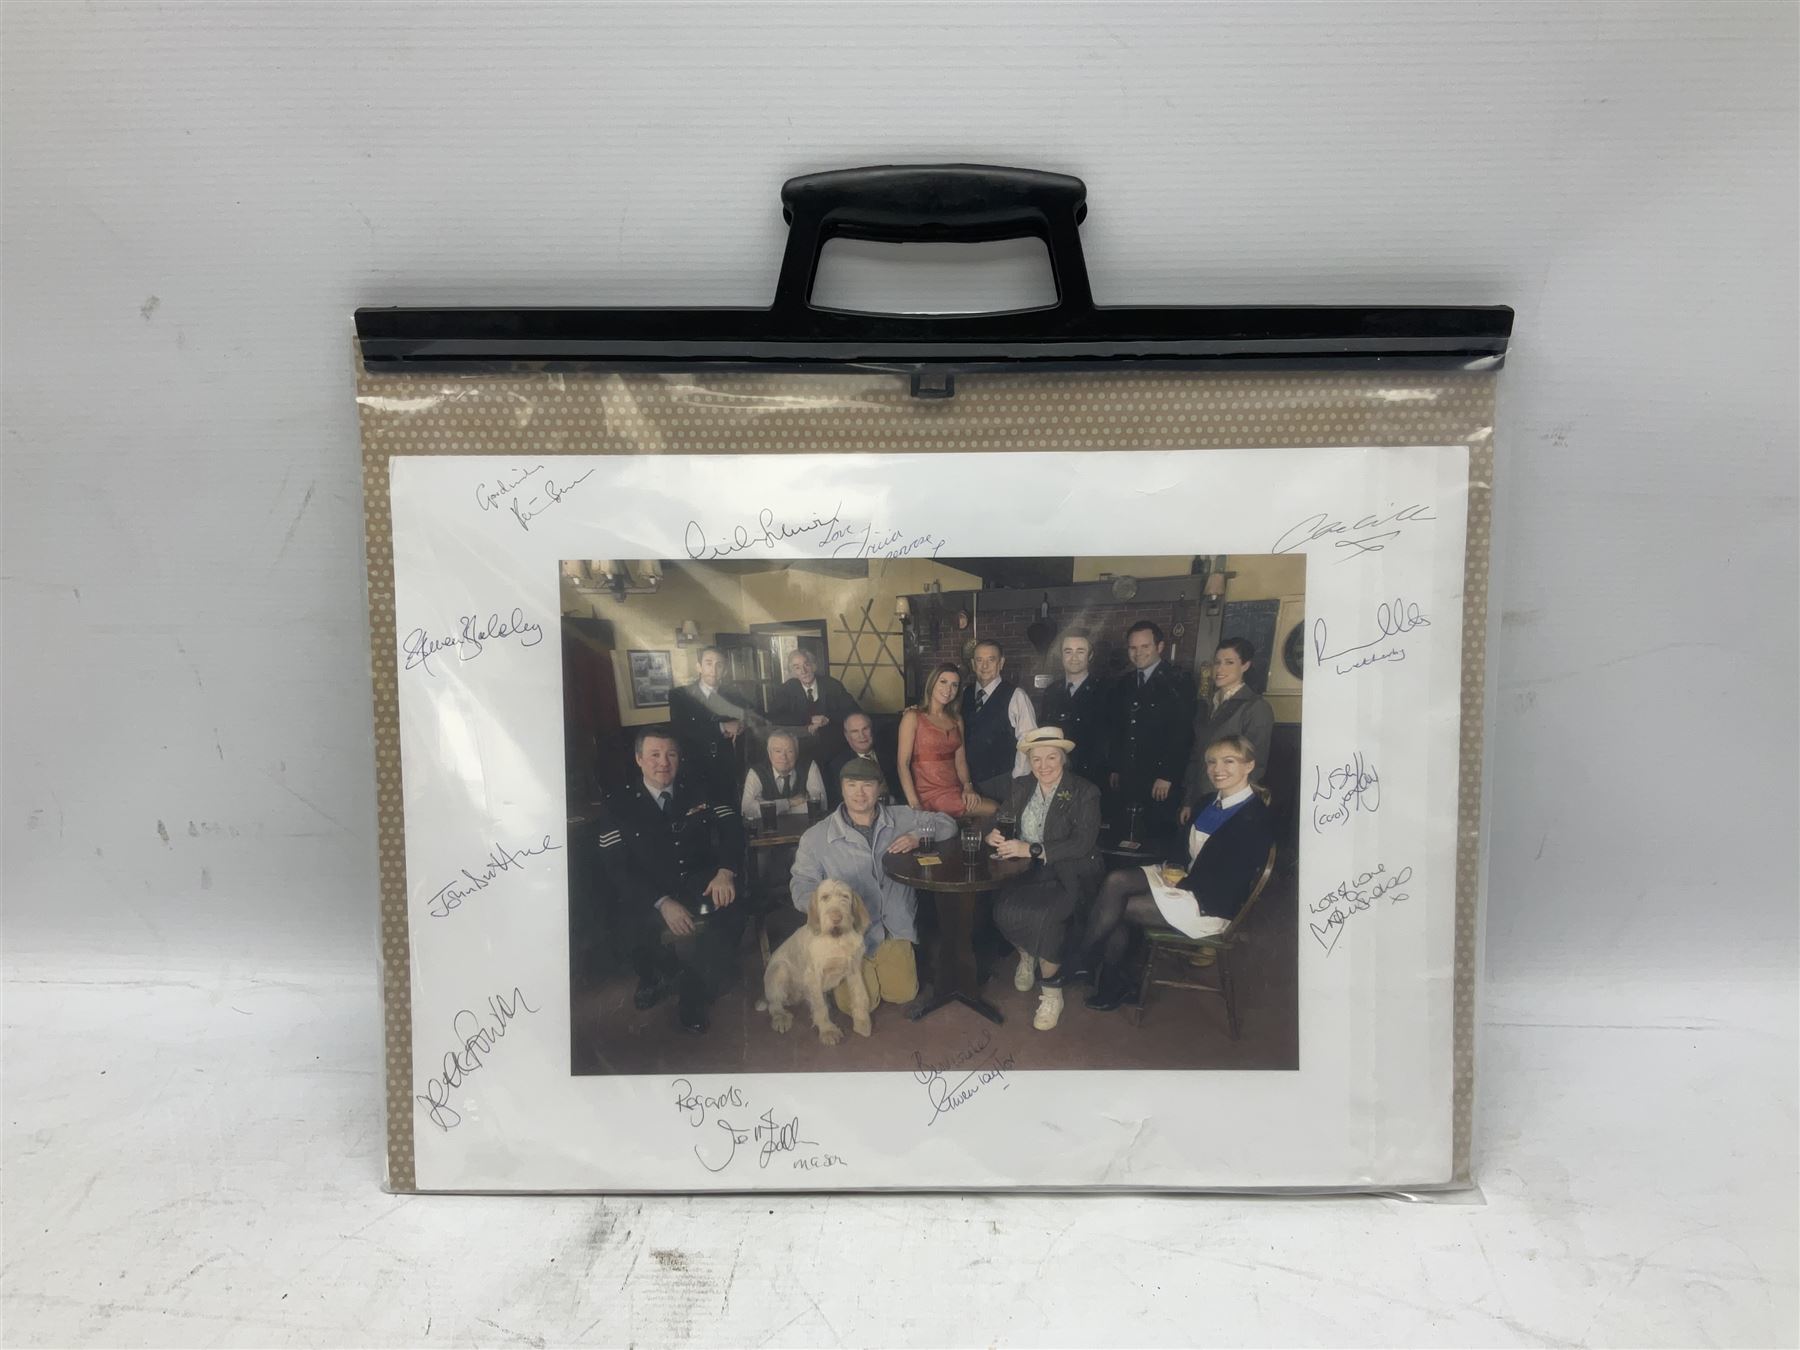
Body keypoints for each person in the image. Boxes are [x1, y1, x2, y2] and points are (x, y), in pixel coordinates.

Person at [1078, 734, 1275, 1011]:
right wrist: (1175, 869)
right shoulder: (1207, 802)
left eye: (1229, 761)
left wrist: (1182, 882)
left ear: (1249, 765)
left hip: (1210, 904)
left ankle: (1099, 973)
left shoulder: (1255, 817)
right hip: (1186, 883)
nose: (1218, 769)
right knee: (1116, 880)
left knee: (1120, 906)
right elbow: (1181, 848)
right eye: (1212, 762)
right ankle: (1094, 968)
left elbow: (1231, 880)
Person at [591, 728, 746, 1033]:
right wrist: (662, 903)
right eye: (654, 755)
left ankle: (694, 992)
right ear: (638, 759)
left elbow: (733, 830)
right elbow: (617, 868)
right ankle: (655, 975)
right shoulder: (617, 804)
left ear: (679, 758)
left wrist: (725, 872)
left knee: (731, 908)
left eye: (671, 754)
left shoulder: (700, 790)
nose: (663, 762)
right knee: (624, 923)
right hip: (648, 893)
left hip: (698, 883)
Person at [789, 758, 957, 1016]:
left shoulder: (901, 817)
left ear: (880, 789)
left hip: (894, 928)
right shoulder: (814, 837)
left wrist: (917, 836)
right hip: (847, 936)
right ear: (841, 788)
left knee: (903, 994)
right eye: (852, 785)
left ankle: (884, 962)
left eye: (867, 785)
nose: (859, 793)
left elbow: (948, 823)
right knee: (858, 1005)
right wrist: (827, 911)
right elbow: (801, 884)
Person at [984, 727, 1103, 1031]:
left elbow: (1083, 842)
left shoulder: (1084, 791)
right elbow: (1002, 818)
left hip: (1071, 872)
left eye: (1051, 757)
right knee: (1001, 909)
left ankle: (1052, 993)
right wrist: (993, 833)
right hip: (1027, 871)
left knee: (1047, 918)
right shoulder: (1022, 786)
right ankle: (1027, 953)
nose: (1044, 766)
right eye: (1036, 759)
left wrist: (1032, 848)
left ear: (1063, 759)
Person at [1105, 620, 1196, 836]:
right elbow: (1119, 729)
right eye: (1133, 648)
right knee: (1126, 834)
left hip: (1159, 780)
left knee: (1155, 835)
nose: (1138, 653)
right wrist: (1116, 767)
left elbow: (1182, 733)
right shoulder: (1124, 683)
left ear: (1160, 647)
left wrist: (1168, 775)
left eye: (1145, 646)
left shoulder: (1178, 681)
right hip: (1129, 777)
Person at [1182, 637, 1274, 801]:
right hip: (1201, 798)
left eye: (1229, 662)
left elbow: (1256, 764)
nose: (1219, 668)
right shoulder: (1206, 705)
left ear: (1245, 665)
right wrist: (1189, 799)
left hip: (1230, 800)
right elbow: (1196, 756)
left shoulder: (1255, 707)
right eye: (1217, 662)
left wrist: (1232, 802)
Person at [897, 662, 990, 818]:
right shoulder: (912, 717)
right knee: (993, 809)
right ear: (932, 683)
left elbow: (960, 761)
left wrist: (968, 787)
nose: (948, 689)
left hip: (955, 790)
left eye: (954, 685)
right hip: (928, 795)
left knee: (988, 813)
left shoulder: (956, 720)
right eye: (943, 682)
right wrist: (915, 805)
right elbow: (902, 764)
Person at [667, 645, 757, 800]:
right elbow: (683, 729)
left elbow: (750, 718)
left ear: (725, 670)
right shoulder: (680, 695)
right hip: (695, 768)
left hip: (727, 768)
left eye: (719, 664)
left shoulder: (735, 696)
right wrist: (722, 727)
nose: (713, 669)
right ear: (699, 667)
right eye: (708, 663)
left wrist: (742, 725)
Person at [961, 639, 1038, 804]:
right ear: (973, 664)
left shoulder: (1016, 696)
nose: (984, 666)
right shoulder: (964, 694)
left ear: (1001, 663)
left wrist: (1017, 782)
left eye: (991, 660)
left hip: (1003, 781)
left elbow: (1028, 742)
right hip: (967, 784)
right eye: (980, 660)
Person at [767, 648, 861, 766]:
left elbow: (855, 712)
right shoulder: (786, 689)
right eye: (797, 667)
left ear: (814, 666)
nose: (803, 671)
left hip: (835, 748)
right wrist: (809, 719)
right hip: (801, 750)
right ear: (792, 672)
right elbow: (774, 717)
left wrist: (828, 718)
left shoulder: (832, 685)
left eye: (807, 664)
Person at [1038, 630, 1107, 784]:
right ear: (1061, 656)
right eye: (1068, 652)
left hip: (1092, 776)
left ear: (1090, 656)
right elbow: (1044, 731)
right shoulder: (1051, 691)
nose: (1074, 657)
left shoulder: (1105, 690)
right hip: (1057, 774)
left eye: (1080, 651)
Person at [740, 730, 826, 818]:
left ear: (796, 753)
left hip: (805, 828)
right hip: (768, 830)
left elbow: (820, 805)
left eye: (790, 751)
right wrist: (789, 802)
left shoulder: (809, 766)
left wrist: (769, 809)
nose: (783, 757)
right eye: (778, 751)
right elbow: (747, 810)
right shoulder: (756, 772)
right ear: (770, 754)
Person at [826, 710, 895, 806]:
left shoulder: (891, 755)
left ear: (872, 729)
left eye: (865, 729)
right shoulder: (837, 765)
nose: (862, 736)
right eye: (855, 731)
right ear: (847, 736)